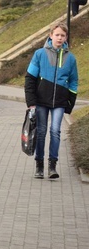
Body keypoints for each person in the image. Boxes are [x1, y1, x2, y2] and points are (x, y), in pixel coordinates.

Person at [24, 22, 78, 180]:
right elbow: (30, 79)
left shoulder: (71, 58)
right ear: (51, 36)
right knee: (41, 132)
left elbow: (74, 81)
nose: (60, 38)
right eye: (57, 35)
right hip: (41, 101)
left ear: (66, 37)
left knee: (55, 131)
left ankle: (52, 165)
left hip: (60, 102)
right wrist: (31, 101)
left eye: (63, 35)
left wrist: (70, 103)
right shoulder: (39, 54)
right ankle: (39, 165)